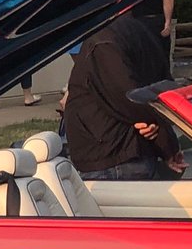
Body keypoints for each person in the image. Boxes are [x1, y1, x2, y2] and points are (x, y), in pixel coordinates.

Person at [64, 12, 182, 180]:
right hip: (129, 150)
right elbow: (163, 89)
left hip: (111, 155)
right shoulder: (141, 31)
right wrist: (166, 141)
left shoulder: (102, 41)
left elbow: (129, 98)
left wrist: (163, 138)